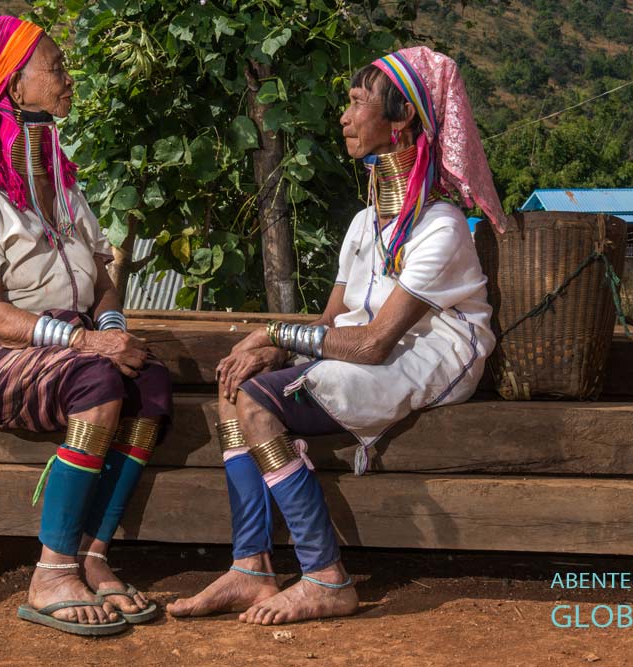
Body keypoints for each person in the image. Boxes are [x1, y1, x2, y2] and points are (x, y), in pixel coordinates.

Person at [169, 46, 508, 625]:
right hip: (378, 346)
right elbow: (330, 324)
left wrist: (273, 331)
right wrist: (269, 346)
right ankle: (251, 567)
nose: (345, 117)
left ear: (400, 120)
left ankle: (326, 577)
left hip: (433, 355)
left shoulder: (440, 226)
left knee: (256, 402)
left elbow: (375, 343)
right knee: (236, 386)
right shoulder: (363, 222)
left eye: (357, 104)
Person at [0, 16, 172, 636]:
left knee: (152, 384)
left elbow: (102, 273)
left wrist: (111, 327)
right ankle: (51, 570)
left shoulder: (61, 185)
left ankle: (92, 553)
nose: (67, 77)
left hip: (66, 335)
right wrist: (88, 341)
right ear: (10, 83)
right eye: (54, 66)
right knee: (96, 382)